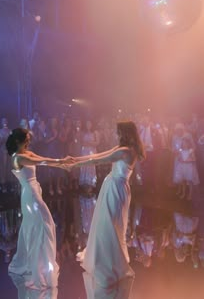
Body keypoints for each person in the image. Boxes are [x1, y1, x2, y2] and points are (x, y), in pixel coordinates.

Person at [72, 121, 145, 294]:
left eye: (118, 132)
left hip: (115, 188)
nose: (116, 134)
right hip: (117, 188)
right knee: (112, 225)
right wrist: (75, 159)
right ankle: (108, 258)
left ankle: (109, 263)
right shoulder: (126, 149)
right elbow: (102, 154)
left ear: (125, 133)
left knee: (110, 225)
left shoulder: (125, 151)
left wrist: (75, 164)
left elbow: (98, 159)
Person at [5, 128, 71, 290]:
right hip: (30, 196)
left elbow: (44, 159)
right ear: (17, 141)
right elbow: (39, 163)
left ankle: (42, 263)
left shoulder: (27, 153)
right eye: (25, 140)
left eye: (29, 139)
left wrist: (61, 163)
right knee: (42, 225)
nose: (28, 142)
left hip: (35, 192)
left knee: (43, 225)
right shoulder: (17, 158)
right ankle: (39, 268)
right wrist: (60, 162)